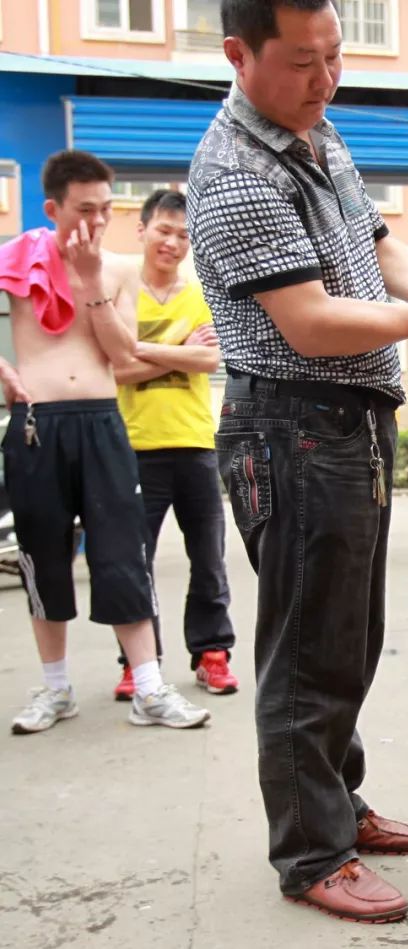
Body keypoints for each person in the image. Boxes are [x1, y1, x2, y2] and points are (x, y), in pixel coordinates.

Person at [188, 0, 408, 924]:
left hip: (346, 427)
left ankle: (337, 802)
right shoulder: (236, 168)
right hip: (291, 428)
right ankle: (310, 852)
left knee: (351, 640)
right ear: (240, 55)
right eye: (302, 63)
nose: (326, 80)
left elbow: (377, 243)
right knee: (307, 654)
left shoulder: (315, 134)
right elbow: (313, 321)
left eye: (335, 58)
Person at [0, 150, 211, 734]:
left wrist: (91, 281)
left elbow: (121, 354)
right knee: (43, 558)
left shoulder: (117, 270)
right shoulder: (16, 260)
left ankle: (147, 687)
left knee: (123, 552)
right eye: (83, 210)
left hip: (101, 420)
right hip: (38, 423)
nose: (95, 222)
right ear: (52, 208)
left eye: (104, 210)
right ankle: (56, 688)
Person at [112, 189, 237, 700]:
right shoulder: (121, 293)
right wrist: (178, 350)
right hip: (132, 446)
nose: (173, 242)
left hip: (193, 442)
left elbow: (209, 362)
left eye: (183, 234)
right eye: (164, 230)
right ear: (141, 231)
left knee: (208, 557)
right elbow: (115, 365)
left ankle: (212, 653)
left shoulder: (199, 294)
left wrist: (141, 348)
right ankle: (139, 663)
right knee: (132, 560)